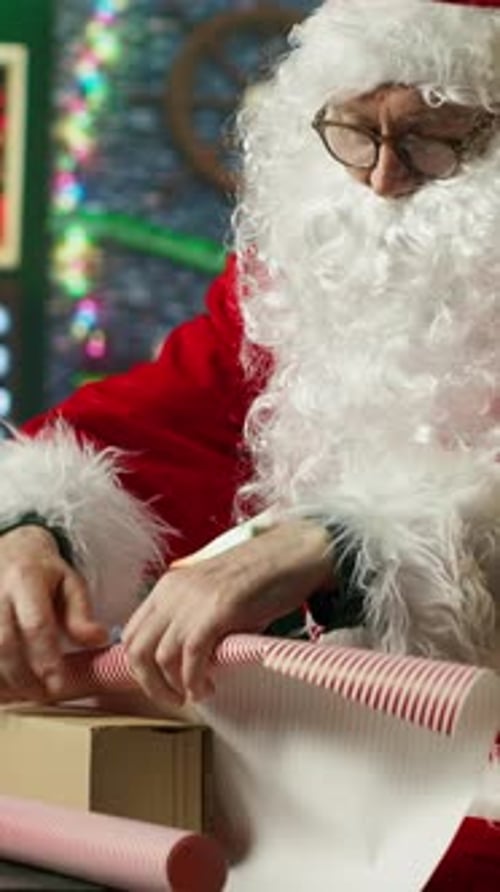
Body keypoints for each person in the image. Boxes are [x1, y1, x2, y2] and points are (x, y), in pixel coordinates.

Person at [1, 0, 500, 713]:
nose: (383, 178)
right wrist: (32, 528)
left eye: (434, 138)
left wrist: (338, 548)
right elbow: (154, 431)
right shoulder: (295, 285)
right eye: (356, 131)